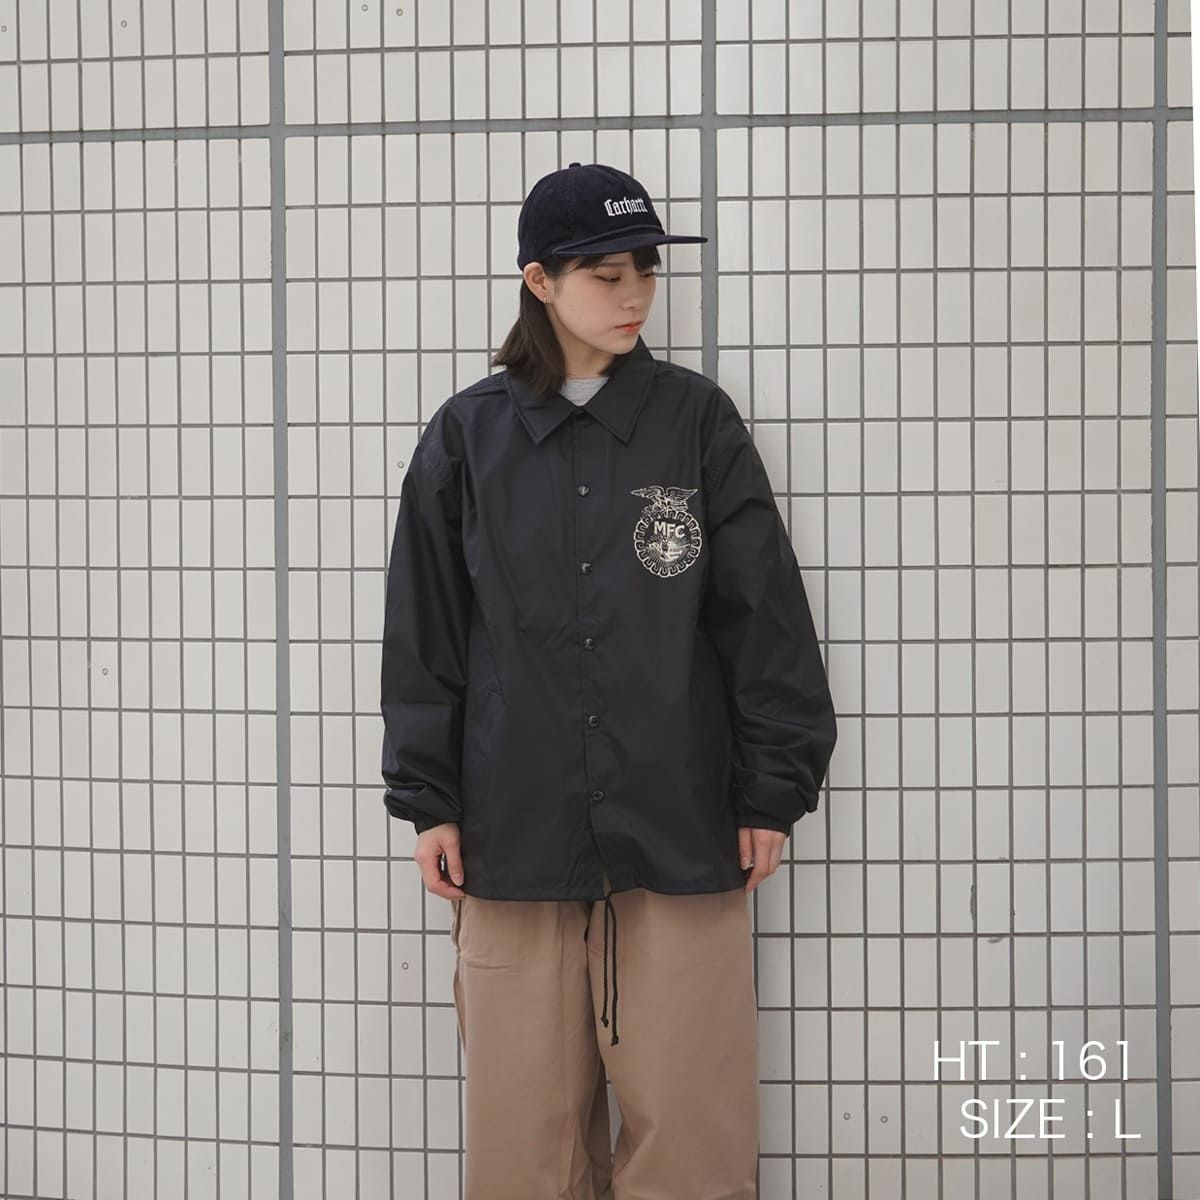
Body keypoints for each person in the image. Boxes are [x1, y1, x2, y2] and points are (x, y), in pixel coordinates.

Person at [380, 161, 838, 1200]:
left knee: (693, 1146)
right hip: (512, 840)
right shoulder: (467, 438)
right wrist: (428, 800)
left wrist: (773, 789)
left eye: (646, 271)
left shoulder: (697, 424)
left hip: (679, 835)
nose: (635, 295)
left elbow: (763, 616)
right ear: (539, 281)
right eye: (605, 273)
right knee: (524, 1150)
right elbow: (425, 635)